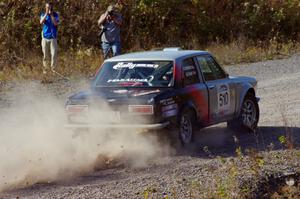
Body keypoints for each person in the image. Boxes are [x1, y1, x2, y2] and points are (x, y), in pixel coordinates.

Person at [40, 2, 59, 74]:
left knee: (54, 54)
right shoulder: (43, 14)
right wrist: (46, 14)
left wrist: (51, 15)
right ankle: (45, 71)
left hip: (53, 38)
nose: (49, 9)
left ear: (52, 7)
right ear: (45, 8)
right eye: (47, 7)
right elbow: (41, 22)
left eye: (50, 7)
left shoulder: (55, 15)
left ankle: (53, 70)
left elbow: (56, 23)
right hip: (45, 38)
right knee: (45, 55)